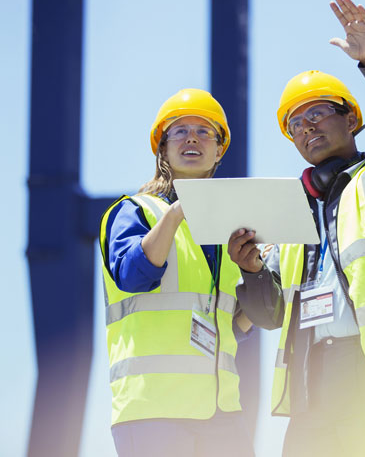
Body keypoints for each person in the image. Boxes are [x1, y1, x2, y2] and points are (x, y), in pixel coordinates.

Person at [227, 0, 365, 456]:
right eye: (295, 125)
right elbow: (269, 316)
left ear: (350, 119)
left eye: (316, 115)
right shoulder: (289, 216)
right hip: (311, 379)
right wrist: (251, 271)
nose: (306, 128)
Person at [98, 88, 254, 457]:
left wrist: (262, 282)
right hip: (153, 411)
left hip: (222, 413)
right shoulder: (134, 212)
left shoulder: (229, 231)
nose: (192, 138)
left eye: (204, 132)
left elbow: (229, 325)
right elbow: (134, 276)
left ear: (219, 150)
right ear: (162, 148)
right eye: (179, 131)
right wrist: (176, 213)